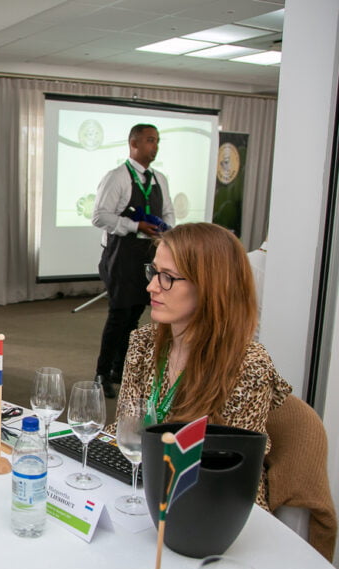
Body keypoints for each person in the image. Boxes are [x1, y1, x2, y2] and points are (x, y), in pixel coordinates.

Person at [115, 222, 291, 510]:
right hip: (145, 488)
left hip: (210, 507)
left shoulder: (248, 366)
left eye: (167, 278)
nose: (151, 286)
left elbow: (234, 471)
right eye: (153, 272)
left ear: (210, 286)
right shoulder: (143, 342)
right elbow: (125, 428)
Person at [92, 124, 175, 398]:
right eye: (150, 140)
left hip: (151, 254)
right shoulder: (117, 177)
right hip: (121, 254)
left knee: (135, 313)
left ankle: (120, 369)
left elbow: (169, 212)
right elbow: (99, 217)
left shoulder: (160, 178)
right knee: (119, 315)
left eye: (158, 141)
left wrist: (167, 231)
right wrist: (135, 224)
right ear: (134, 144)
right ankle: (101, 373)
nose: (156, 146)